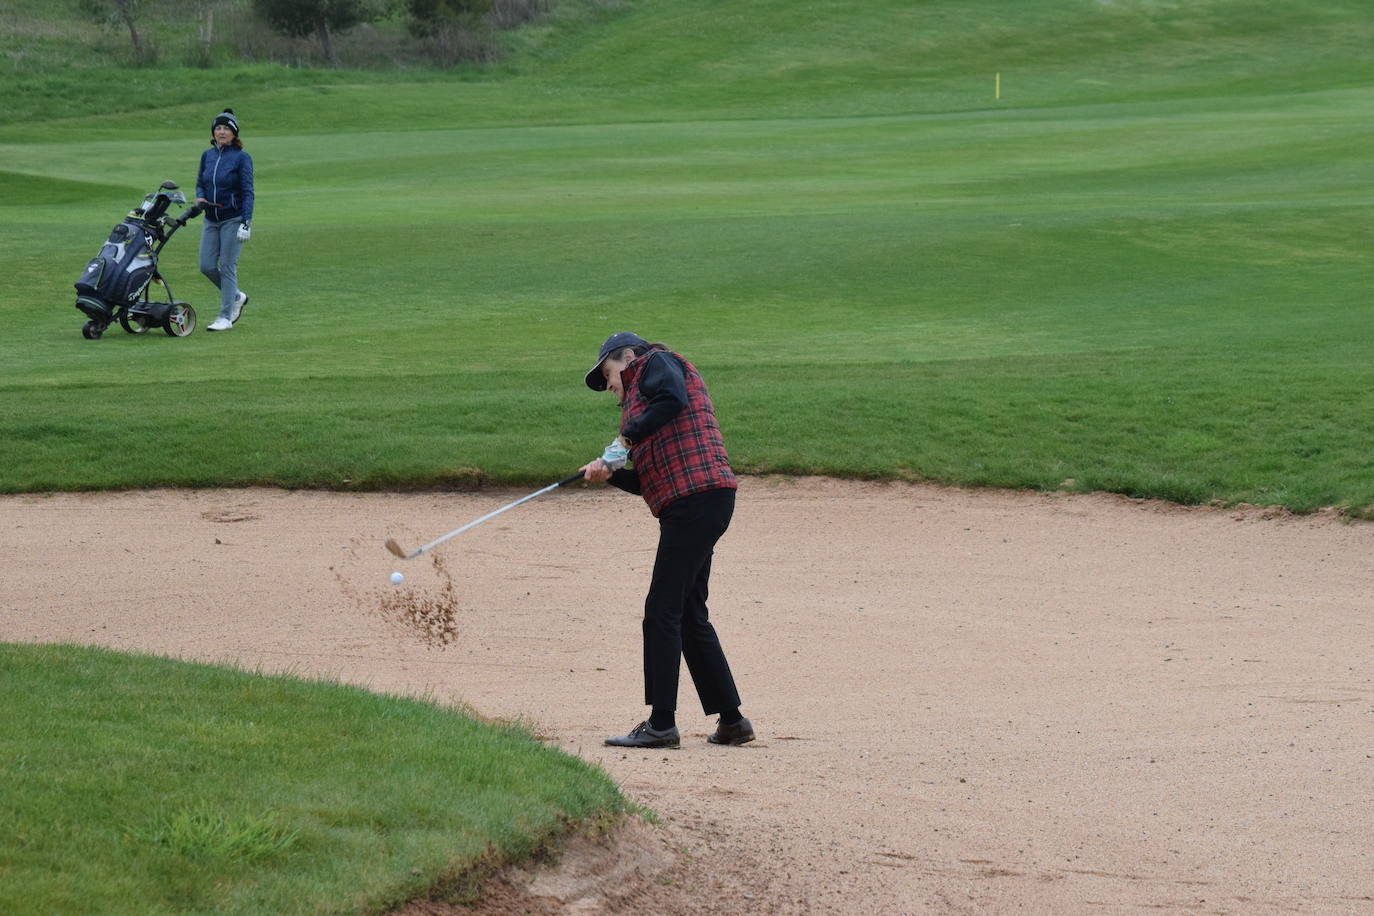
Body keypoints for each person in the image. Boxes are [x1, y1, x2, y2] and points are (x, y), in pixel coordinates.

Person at [580, 332, 755, 749]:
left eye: (608, 376)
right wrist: (610, 474)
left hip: (697, 503)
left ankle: (661, 724)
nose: (610, 388)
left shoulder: (657, 362)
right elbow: (647, 481)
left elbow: (672, 397)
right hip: (696, 503)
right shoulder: (641, 409)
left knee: (662, 610)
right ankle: (732, 721)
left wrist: (623, 442)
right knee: (689, 612)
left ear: (626, 357)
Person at [195, 108, 254, 332]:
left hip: (233, 218)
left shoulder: (241, 157)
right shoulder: (207, 155)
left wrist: (246, 221)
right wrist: (200, 195)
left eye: (226, 128)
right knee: (206, 265)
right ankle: (236, 296)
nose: (221, 132)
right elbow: (201, 181)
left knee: (227, 266)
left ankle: (225, 317)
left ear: (234, 133)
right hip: (211, 218)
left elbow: (248, 191)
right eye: (218, 128)